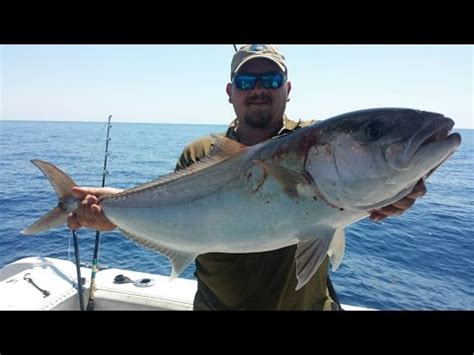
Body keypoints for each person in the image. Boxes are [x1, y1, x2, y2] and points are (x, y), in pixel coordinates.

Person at [67, 45, 427, 310]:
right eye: (246, 79)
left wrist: (397, 194)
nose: (258, 88)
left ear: (287, 89)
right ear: (231, 92)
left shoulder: (312, 139)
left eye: (271, 79)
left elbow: (368, 182)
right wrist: (112, 209)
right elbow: (174, 211)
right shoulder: (200, 153)